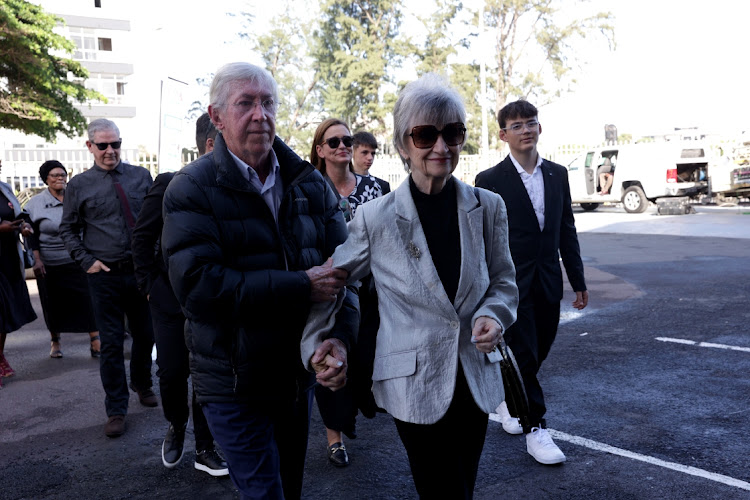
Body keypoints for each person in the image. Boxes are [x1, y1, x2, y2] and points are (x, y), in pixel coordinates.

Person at [302, 73, 519, 499]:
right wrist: (318, 344)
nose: (441, 147)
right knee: (439, 487)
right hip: (412, 383)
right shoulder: (376, 218)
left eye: (452, 133)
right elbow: (331, 279)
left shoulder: (488, 206)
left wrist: (494, 314)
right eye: (425, 135)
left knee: (463, 483)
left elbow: (505, 281)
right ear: (404, 145)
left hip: (474, 375)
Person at [160, 62, 358, 500]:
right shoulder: (190, 188)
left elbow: (348, 272)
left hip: (295, 378)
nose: (259, 114)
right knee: (265, 494)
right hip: (233, 383)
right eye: (245, 103)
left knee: (290, 489)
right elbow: (198, 288)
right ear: (217, 117)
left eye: (267, 103)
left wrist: (339, 340)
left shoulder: (310, 184)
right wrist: (301, 285)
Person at [475, 100, 589, 465]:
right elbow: (483, 239)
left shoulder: (558, 174)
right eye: (517, 125)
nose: (526, 129)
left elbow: (566, 229)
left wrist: (577, 278)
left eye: (531, 123)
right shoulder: (490, 181)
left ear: (540, 128)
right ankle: (535, 428)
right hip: (510, 284)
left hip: (548, 280)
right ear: (503, 134)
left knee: (539, 347)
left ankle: (509, 392)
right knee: (523, 351)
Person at [132, 113, 227, 475]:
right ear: (210, 144)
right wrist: (148, 287)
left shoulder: (233, 190)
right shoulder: (170, 183)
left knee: (207, 374)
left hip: (212, 303)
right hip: (168, 301)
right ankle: (175, 426)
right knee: (172, 372)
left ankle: (205, 446)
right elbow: (141, 237)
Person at [59, 118, 157, 438]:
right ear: (90, 147)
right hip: (105, 275)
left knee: (146, 335)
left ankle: (142, 382)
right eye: (103, 145)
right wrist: (88, 261)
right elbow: (68, 229)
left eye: (115, 143)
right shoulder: (79, 185)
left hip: (140, 273)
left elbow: (157, 221)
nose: (110, 150)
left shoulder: (142, 177)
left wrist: (155, 261)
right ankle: (116, 408)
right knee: (112, 344)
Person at [309, 119, 388, 467]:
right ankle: (334, 437)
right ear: (320, 150)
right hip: (330, 288)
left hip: (372, 290)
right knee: (331, 357)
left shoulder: (375, 189)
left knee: (363, 355)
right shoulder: (309, 189)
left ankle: (360, 407)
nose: (342, 145)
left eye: (347, 140)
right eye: (334, 141)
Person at [25, 160, 100, 359]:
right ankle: (55, 341)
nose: (60, 179)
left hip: (77, 259)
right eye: (55, 176)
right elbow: (31, 236)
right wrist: (37, 260)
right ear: (45, 179)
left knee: (87, 300)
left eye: (63, 175)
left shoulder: (75, 198)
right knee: (52, 304)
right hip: (49, 263)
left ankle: (95, 340)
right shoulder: (35, 205)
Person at [0, 179, 37, 389]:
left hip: (9, 259)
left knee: (6, 314)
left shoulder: (4, 188)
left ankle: (0, 355)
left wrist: (22, 227)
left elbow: (16, 217)